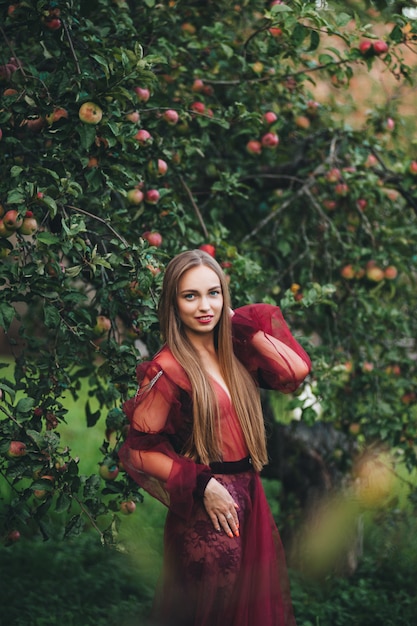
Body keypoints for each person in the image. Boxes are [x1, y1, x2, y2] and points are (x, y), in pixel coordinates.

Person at [119, 249, 312, 626]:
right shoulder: (168, 367)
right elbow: (137, 451)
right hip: (208, 508)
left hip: (249, 495)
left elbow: (294, 371)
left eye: (213, 293)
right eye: (190, 296)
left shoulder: (234, 355)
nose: (204, 305)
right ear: (173, 305)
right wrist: (203, 484)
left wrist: (241, 325)